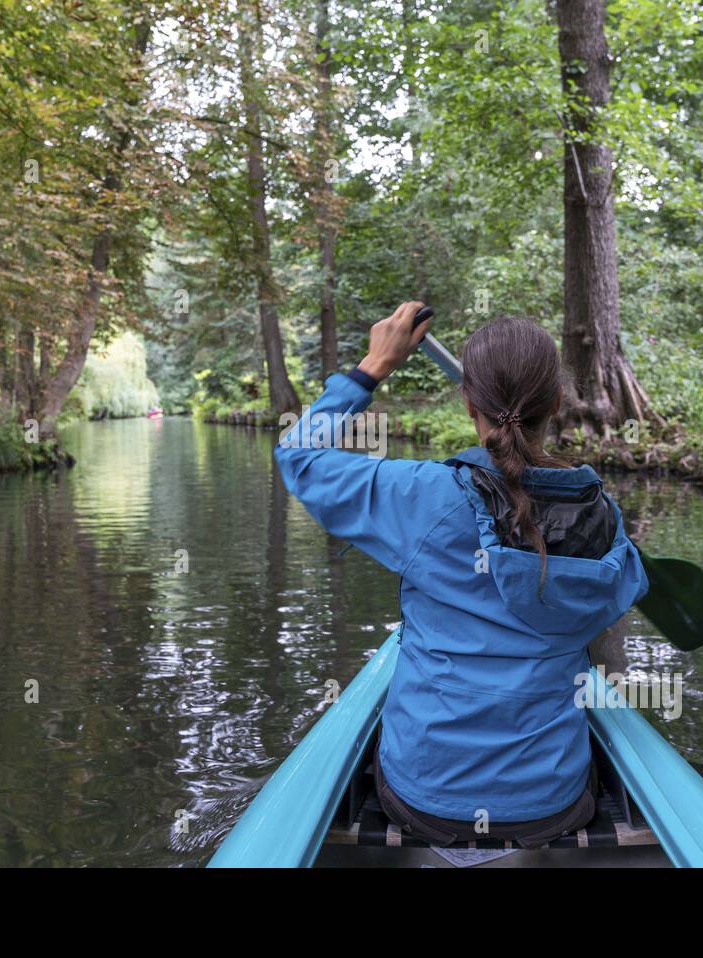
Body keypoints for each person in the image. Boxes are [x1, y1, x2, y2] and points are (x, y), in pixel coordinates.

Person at [274, 301, 648, 847]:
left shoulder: (423, 495)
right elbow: (626, 584)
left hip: (424, 799)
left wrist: (371, 368)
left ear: (467, 401)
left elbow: (299, 457)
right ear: (558, 402)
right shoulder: (600, 514)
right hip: (552, 803)